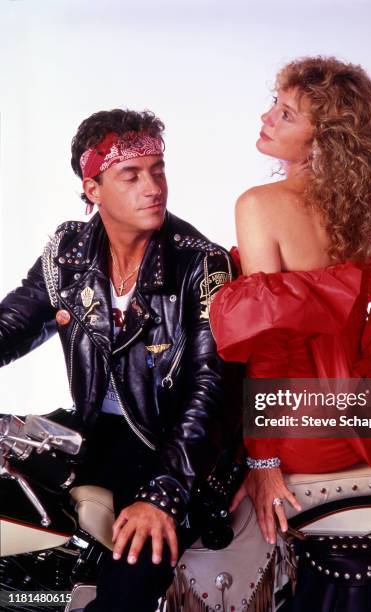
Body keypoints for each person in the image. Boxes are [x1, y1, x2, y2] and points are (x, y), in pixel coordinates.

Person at [0, 109, 238, 612]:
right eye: (131, 175)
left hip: (177, 448)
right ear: (93, 189)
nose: (152, 187)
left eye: (158, 169)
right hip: (96, 433)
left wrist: (165, 494)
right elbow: (12, 325)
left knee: (124, 591)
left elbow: (207, 389)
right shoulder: (69, 251)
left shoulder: (200, 261)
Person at [210, 57, 371, 550]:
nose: (266, 118)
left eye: (287, 114)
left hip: (298, 428)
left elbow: (270, 347)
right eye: (273, 105)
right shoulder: (348, 206)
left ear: (323, 139)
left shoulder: (258, 204)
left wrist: (263, 463)